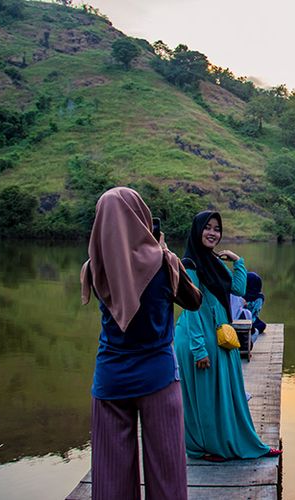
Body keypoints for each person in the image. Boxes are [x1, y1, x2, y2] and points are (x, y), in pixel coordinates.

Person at [80, 187, 202, 500]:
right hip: (158, 378)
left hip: (110, 379)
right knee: (167, 473)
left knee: (111, 478)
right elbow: (194, 301)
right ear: (142, 218)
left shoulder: (94, 268)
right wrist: (165, 254)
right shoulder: (164, 263)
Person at [174, 210, 282, 461]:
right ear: (197, 230)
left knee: (227, 391)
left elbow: (237, 289)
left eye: (217, 228)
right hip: (199, 335)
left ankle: (231, 441)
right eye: (208, 227)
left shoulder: (213, 261)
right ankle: (205, 447)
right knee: (207, 395)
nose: (213, 233)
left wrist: (238, 262)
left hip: (220, 334)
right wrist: (199, 349)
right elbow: (192, 309)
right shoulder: (189, 264)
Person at [243, 272, 267, 336]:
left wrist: (247, 305)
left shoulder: (259, 297)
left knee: (262, 325)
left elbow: (255, 311)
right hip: (242, 317)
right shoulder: (241, 294)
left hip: (251, 318)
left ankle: (251, 329)